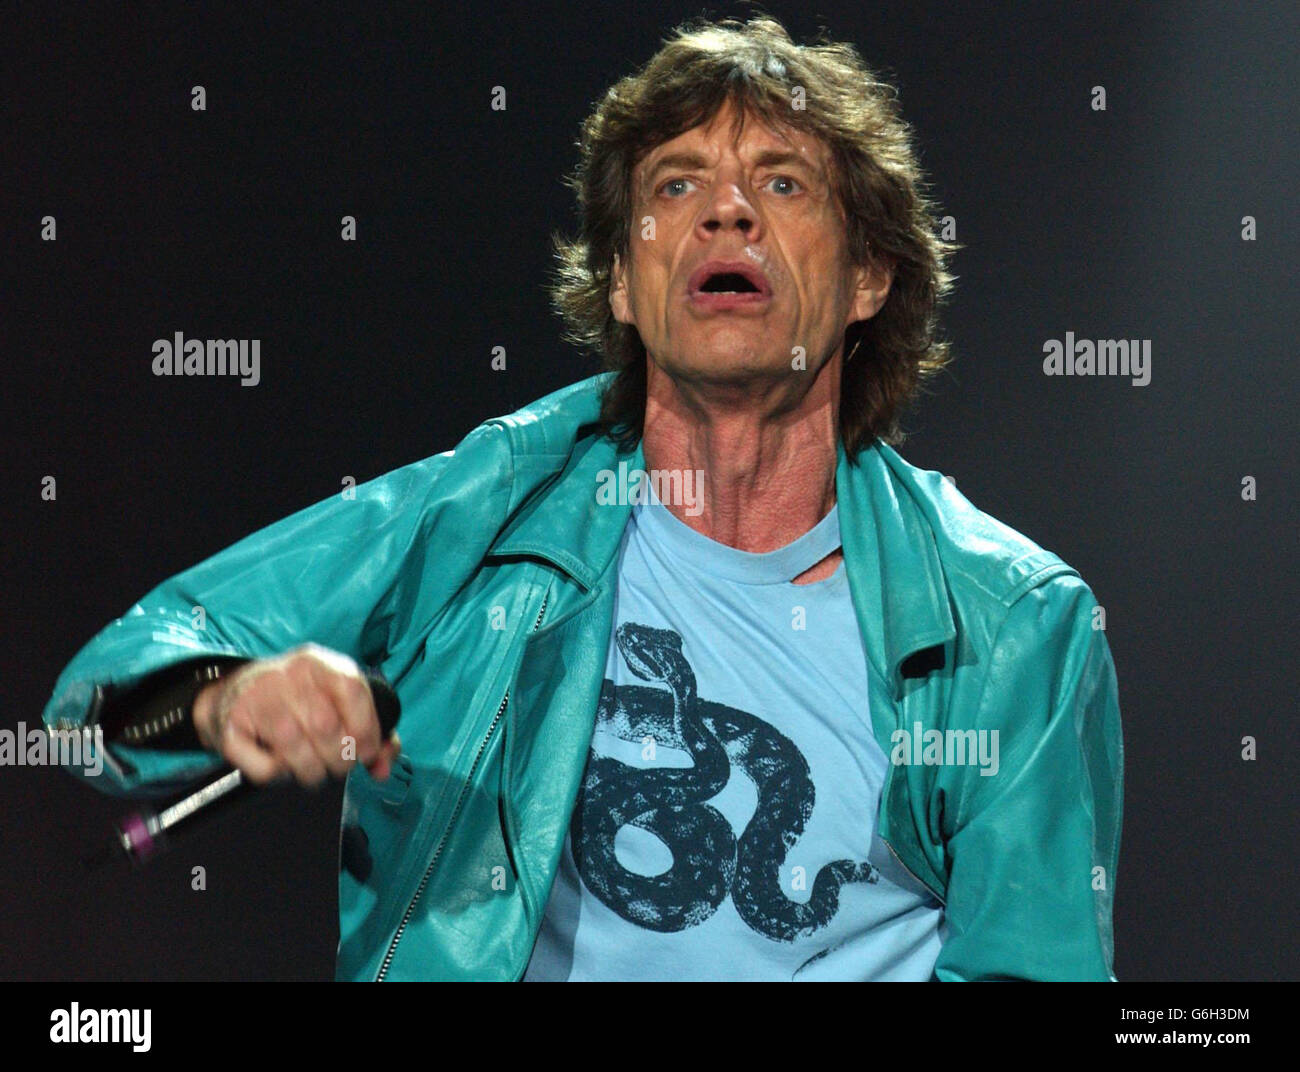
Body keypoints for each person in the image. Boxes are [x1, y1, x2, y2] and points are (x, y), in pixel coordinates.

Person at [43, 15, 1122, 981]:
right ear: (621, 278)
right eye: (675, 185)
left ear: (868, 280)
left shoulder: (1011, 623)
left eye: (782, 183)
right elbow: (96, 706)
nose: (725, 213)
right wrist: (226, 698)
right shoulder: (484, 512)